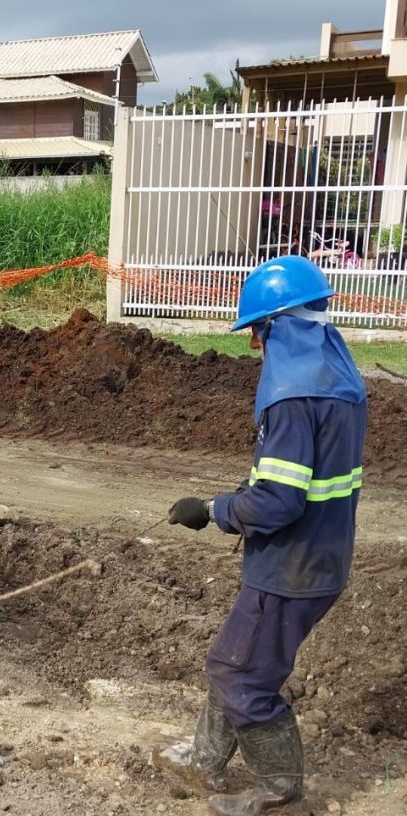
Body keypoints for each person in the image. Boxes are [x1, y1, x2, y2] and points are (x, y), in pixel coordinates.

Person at [159, 255, 367, 816]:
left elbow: (278, 501)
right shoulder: (337, 379)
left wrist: (213, 509)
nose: (254, 344)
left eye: (256, 329)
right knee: (235, 657)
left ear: (278, 324)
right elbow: (293, 478)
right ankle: (204, 759)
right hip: (319, 556)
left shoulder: (294, 395)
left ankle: (279, 792)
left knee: (240, 674)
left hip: (292, 566)